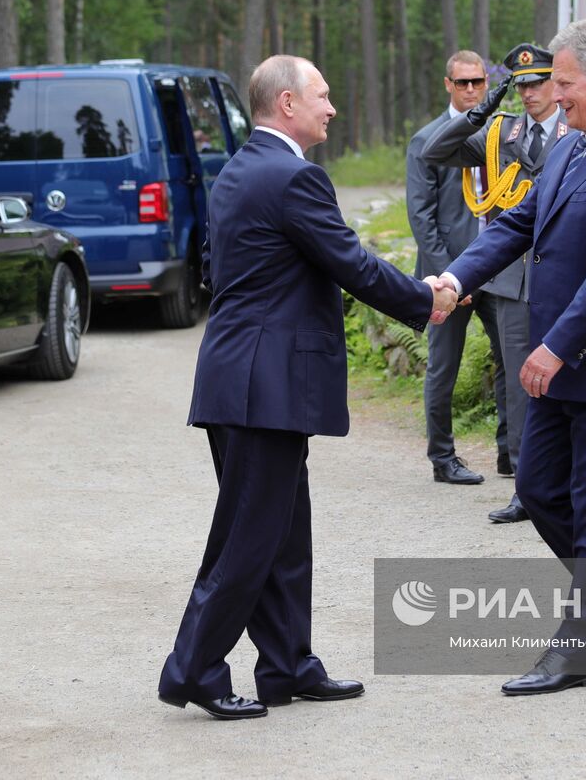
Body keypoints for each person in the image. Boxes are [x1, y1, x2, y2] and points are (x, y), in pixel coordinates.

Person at [158, 55, 457, 720]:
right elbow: (349, 261)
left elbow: (231, 268)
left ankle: (288, 664)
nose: (331, 108)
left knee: (285, 533)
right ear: (286, 102)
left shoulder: (238, 169)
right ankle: (194, 668)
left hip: (242, 378)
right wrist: (424, 297)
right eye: (322, 95)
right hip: (262, 387)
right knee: (247, 537)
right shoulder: (296, 176)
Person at [439, 19, 586, 695]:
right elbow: (519, 221)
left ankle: (578, 652)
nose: (554, 95)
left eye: (565, 84)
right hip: (556, 363)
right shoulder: (574, 145)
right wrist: (458, 278)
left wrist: (555, 345)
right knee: (541, 490)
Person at [421, 42, 575, 523]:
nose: (530, 93)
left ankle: (571, 481)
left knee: (567, 381)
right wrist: (482, 110)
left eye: (539, 82)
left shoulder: (577, 131)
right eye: (522, 84)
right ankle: (528, 491)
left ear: (557, 82)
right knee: (518, 384)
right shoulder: (498, 134)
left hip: (563, 274)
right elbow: (436, 150)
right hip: (511, 279)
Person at [406, 50, 509, 486]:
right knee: (443, 366)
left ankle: (511, 452)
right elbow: (421, 217)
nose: (471, 89)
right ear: (448, 85)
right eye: (462, 82)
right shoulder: (427, 139)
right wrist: (451, 278)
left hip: (499, 269)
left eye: (478, 82)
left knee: (510, 357)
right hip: (447, 277)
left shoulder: (504, 134)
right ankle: (442, 458)